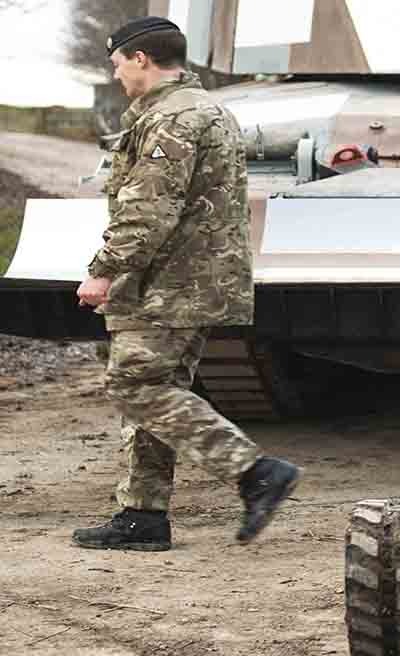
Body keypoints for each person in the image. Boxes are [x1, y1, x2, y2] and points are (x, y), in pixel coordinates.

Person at [73, 17, 301, 551]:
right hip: (188, 279)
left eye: (117, 64)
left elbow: (149, 210)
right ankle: (142, 515)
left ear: (140, 59)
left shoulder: (174, 117)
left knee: (137, 386)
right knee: (159, 391)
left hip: (167, 281)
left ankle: (255, 472)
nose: (116, 74)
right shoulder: (206, 110)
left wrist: (104, 269)